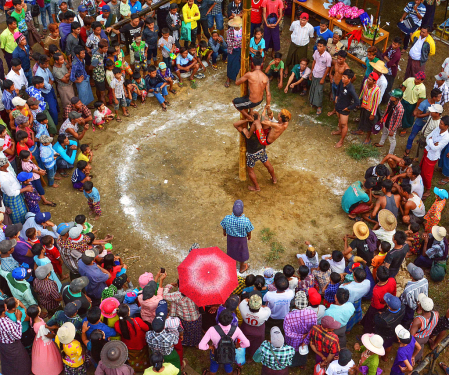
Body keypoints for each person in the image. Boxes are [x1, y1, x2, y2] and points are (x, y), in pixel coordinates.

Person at [198, 308, 249, 375]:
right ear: (231, 320)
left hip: (215, 352)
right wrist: (236, 346)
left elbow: (201, 346)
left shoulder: (212, 329)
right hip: (229, 352)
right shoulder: (236, 330)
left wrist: (211, 347)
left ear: (219, 318)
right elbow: (247, 343)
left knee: (214, 365)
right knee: (228, 365)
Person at [27, 304, 63, 375]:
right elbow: (48, 335)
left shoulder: (32, 319)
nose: (40, 308)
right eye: (39, 309)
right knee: (49, 357)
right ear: (37, 313)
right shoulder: (40, 326)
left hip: (38, 340)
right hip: (45, 342)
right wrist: (54, 335)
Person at [283, 291, 317, 368]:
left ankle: (292, 364)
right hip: (306, 340)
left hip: (292, 341)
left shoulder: (288, 316)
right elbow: (313, 330)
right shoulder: (313, 313)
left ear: (295, 303)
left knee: (292, 353)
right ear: (307, 302)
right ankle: (302, 364)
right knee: (303, 352)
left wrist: (300, 336)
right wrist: (305, 339)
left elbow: (288, 333)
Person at [404, 87, 442, 156]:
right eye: (439, 97)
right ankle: (408, 148)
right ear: (434, 97)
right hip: (419, 123)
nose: (440, 98)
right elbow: (418, 115)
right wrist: (428, 114)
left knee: (425, 137)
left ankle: (421, 150)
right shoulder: (424, 104)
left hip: (428, 124)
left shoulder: (437, 103)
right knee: (412, 136)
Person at [220, 200, 253, 273]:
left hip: (230, 238)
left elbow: (224, 226)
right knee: (242, 252)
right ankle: (242, 267)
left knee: (231, 250)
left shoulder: (227, 218)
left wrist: (224, 232)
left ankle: (232, 265)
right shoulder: (246, 220)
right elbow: (249, 230)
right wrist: (249, 236)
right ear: (242, 210)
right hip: (241, 240)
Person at [420, 116, 449, 199]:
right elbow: (428, 137)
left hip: (432, 156)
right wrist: (432, 142)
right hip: (427, 151)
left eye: (442, 124)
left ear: (447, 126)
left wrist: (430, 141)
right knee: (422, 168)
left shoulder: (446, 137)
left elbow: (435, 148)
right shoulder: (437, 129)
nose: (440, 125)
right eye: (440, 123)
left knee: (427, 174)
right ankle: (421, 182)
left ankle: (428, 190)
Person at [0, 301, 32, 375]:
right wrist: (18, 319)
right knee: (20, 361)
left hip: (3, 343)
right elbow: (18, 336)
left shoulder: (5, 316)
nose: (7, 307)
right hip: (12, 345)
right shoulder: (6, 324)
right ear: (3, 311)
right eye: (5, 306)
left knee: (8, 361)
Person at [332, 69, 359, 148]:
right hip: (338, 105)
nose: (343, 78)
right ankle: (339, 131)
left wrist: (349, 108)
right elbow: (338, 89)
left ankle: (341, 141)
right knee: (339, 119)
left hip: (344, 109)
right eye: (343, 76)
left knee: (344, 124)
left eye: (345, 77)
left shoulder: (351, 89)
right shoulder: (341, 82)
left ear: (349, 79)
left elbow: (357, 102)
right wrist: (336, 96)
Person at [409, 293, 438, 361]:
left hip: (418, 338)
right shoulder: (436, 314)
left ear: (421, 307)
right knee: (421, 346)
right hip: (426, 336)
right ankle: (419, 357)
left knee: (415, 348)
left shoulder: (418, 320)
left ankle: (413, 360)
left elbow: (411, 335)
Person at [375, 89, 405, 154]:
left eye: (392, 96)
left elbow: (398, 121)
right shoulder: (390, 102)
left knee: (392, 140)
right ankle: (381, 143)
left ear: (397, 98)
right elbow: (387, 110)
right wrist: (383, 118)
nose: (390, 97)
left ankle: (390, 153)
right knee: (384, 132)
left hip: (391, 126)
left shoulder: (400, 109)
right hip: (386, 121)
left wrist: (393, 130)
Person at [284, 12, 313, 77]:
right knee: (290, 56)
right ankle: (287, 67)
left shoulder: (310, 27)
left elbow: (310, 36)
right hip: (294, 43)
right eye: (301, 19)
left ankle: (298, 70)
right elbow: (291, 30)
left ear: (307, 20)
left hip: (303, 46)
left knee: (301, 58)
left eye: (304, 20)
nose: (302, 21)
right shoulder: (294, 23)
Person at [356, 72, 381, 144]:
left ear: (374, 82)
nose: (368, 80)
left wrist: (373, 114)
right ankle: (361, 130)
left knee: (369, 124)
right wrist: (359, 101)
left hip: (370, 109)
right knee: (362, 118)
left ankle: (368, 137)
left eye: (370, 80)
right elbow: (362, 92)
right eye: (368, 79)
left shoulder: (377, 90)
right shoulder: (365, 83)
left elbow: (376, 103)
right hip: (364, 105)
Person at [399, 71, 427, 136]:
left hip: (411, 104)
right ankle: (398, 124)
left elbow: (420, 99)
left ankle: (405, 128)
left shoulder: (422, 88)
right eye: (415, 77)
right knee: (400, 112)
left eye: (418, 79)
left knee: (408, 116)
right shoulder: (409, 80)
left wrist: (416, 109)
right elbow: (404, 87)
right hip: (404, 100)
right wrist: (399, 97)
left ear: (422, 80)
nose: (415, 79)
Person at [309, 39, 331, 115]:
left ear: (324, 47)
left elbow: (328, 68)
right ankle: (312, 102)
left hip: (321, 76)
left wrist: (323, 78)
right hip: (315, 73)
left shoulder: (327, 57)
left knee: (319, 91)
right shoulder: (316, 53)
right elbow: (314, 62)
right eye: (318, 46)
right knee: (313, 88)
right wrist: (311, 73)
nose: (318, 47)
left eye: (320, 46)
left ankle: (319, 107)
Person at [328, 50, 350, 116]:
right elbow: (331, 65)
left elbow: (353, 77)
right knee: (334, 98)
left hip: (340, 86)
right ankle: (334, 110)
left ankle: (340, 114)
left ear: (344, 59)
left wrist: (345, 85)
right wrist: (330, 74)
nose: (338, 60)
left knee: (339, 101)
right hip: (334, 83)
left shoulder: (346, 68)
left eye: (340, 59)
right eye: (337, 58)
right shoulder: (335, 62)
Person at [225, 16, 242, 88]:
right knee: (230, 64)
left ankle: (237, 78)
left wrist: (238, 43)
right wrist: (239, 43)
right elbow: (229, 43)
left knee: (238, 64)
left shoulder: (244, 30)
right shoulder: (229, 31)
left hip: (240, 50)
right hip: (232, 50)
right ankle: (228, 78)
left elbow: (245, 41)